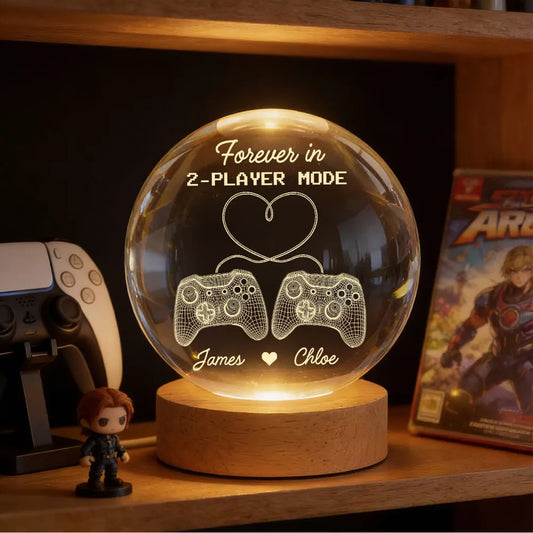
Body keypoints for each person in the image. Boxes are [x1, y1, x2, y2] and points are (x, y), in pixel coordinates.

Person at [441, 245, 533, 418]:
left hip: (526, 361)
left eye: (525, 270)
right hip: (498, 357)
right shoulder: (492, 296)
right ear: (508, 271)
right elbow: (471, 325)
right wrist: (453, 348)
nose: (519, 276)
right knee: (462, 393)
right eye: (514, 270)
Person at [76, 387, 134, 497]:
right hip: (99, 459)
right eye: (103, 421)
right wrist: (85, 456)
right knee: (97, 471)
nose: (113, 426)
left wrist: (122, 453)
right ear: (85, 422)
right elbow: (87, 447)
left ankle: (111, 480)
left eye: (121, 420)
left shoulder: (114, 438)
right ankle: (94, 481)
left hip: (112, 459)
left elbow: (118, 446)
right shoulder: (95, 439)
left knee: (113, 469)